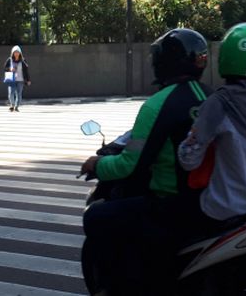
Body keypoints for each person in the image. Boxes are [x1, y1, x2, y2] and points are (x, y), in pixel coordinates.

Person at [80, 28, 211, 294]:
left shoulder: (158, 104)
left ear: (164, 61)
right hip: (212, 201)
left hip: (173, 204)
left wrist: (97, 165)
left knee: (96, 217)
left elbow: (131, 164)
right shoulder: (211, 96)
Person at [177, 22, 246, 239]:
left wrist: (187, 142)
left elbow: (188, 160)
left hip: (227, 207)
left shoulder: (219, 102)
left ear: (225, 56)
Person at [3, 46, 31, 112]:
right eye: (14, 52)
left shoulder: (23, 61)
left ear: (20, 53)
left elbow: (26, 71)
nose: (16, 53)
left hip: (20, 80)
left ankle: (16, 106)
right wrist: (10, 69)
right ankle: (12, 105)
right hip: (12, 80)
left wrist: (28, 79)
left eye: (17, 52)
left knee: (19, 94)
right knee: (11, 93)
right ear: (12, 53)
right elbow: (5, 68)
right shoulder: (9, 60)